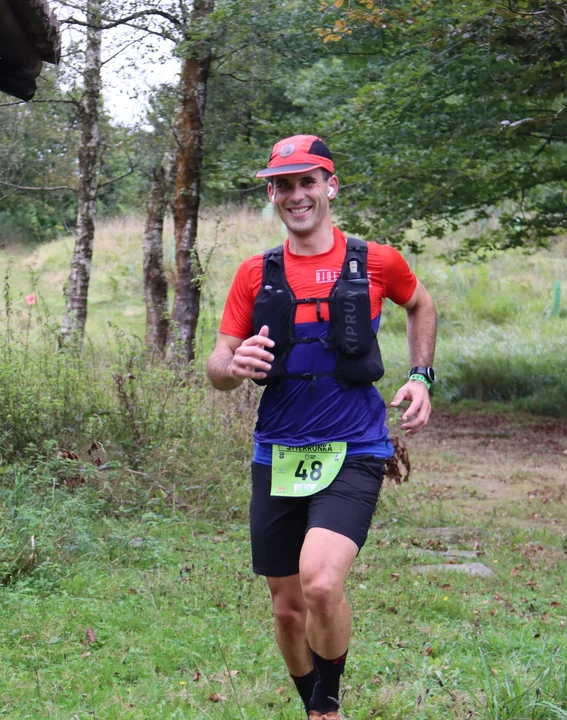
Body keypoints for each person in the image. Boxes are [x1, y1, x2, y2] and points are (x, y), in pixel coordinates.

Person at [206, 135, 437, 719]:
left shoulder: (377, 261)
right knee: (287, 609)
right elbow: (218, 365)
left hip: (355, 447)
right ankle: (313, 705)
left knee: (321, 583)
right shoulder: (254, 274)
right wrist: (233, 366)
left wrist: (420, 375)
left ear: (330, 186)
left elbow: (421, 304)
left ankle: (327, 707)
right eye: (283, 185)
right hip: (278, 452)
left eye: (307, 181)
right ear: (272, 195)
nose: (296, 195)